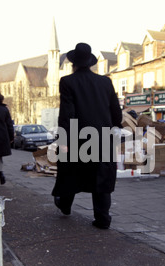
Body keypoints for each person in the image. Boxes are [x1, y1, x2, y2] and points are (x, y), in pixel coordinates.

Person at [52, 43, 123, 229]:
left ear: (73, 63)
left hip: (78, 137)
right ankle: (102, 219)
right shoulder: (105, 82)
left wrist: (64, 139)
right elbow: (116, 110)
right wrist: (115, 126)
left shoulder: (67, 82)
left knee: (71, 173)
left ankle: (65, 206)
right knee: (101, 175)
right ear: (90, 63)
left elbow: (67, 113)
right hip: (102, 137)